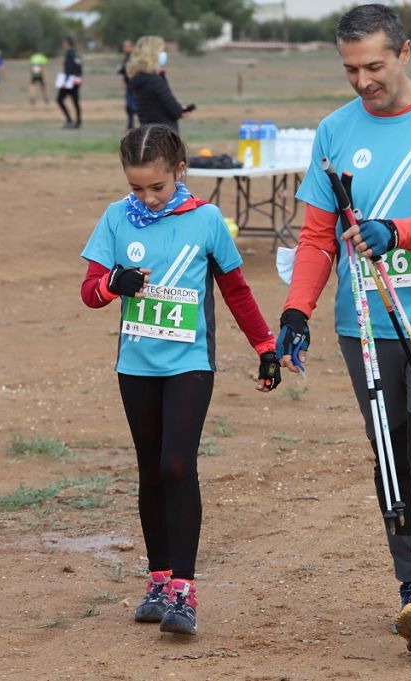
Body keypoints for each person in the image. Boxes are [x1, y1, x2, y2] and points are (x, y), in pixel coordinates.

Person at [276, 4, 411, 658]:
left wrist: (395, 231)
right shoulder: (335, 131)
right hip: (363, 325)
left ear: (404, 53)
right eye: (350, 69)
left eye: (373, 65)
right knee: (392, 458)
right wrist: (295, 311)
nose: (363, 80)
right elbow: (317, 238)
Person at [80, 124, 280, 637]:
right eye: (137, 188)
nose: (146, 198)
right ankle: (158, 580)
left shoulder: (208, 220)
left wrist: (265, 347)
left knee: (176, 464)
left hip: (190, 363)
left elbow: (235, 290)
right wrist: (111, 284)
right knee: (150, 469)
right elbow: (89, 292)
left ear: (180, 171)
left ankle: (185, 593)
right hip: (136, 365)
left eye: (157, 187)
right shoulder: (115, 219)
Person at [127, 36, 189, 132]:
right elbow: (175, 110)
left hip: (147, 133)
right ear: (153, 54)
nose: (164, 54)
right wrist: (182, 110)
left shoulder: (137, 80)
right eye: (162, 50)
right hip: (165, 136)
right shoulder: (156, 81)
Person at [56, 36, 82, 129]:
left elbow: (69, 69)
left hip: (69, 81)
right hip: (76, 81)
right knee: (75, 102)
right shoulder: (76, 54)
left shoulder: (69, 54)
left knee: (59, 99)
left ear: (66, 43)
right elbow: (79, 68)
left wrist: (65, 82)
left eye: (64, 43)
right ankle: (78, 121)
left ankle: (69, 120)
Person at [117, 39, 136, 129]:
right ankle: (131, 123)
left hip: (135, 85)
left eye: (126, 46)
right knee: (129, 106)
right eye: (124, 46)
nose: (124, 48)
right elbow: (122, 71)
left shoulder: (134, 58)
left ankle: (133, 123)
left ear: (131, 47)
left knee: (132, 105)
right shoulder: (125, 58)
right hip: (129, 85)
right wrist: (123, 81)